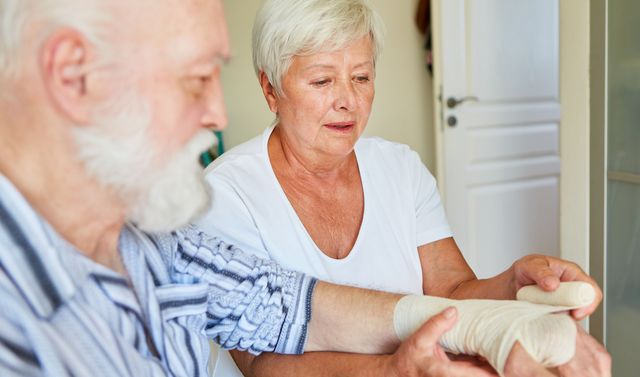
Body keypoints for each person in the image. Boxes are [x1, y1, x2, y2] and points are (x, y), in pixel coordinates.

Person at [0, 1, 586, 376]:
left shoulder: (162, 246)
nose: (214, 112)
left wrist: (508, 312)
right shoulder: (18, 323)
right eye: (196, 78)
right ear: (72, 74)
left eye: (360, 77)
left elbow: (295, 307)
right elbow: (266, 366)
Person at [195, 0, 611, 376]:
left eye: (361, 77)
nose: (348, 101)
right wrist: (392, 368)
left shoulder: (401, 168)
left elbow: (451, 293)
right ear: (271, 89)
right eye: (322, 82)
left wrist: (511, 285)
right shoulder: (225, 194)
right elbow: (262, 363)